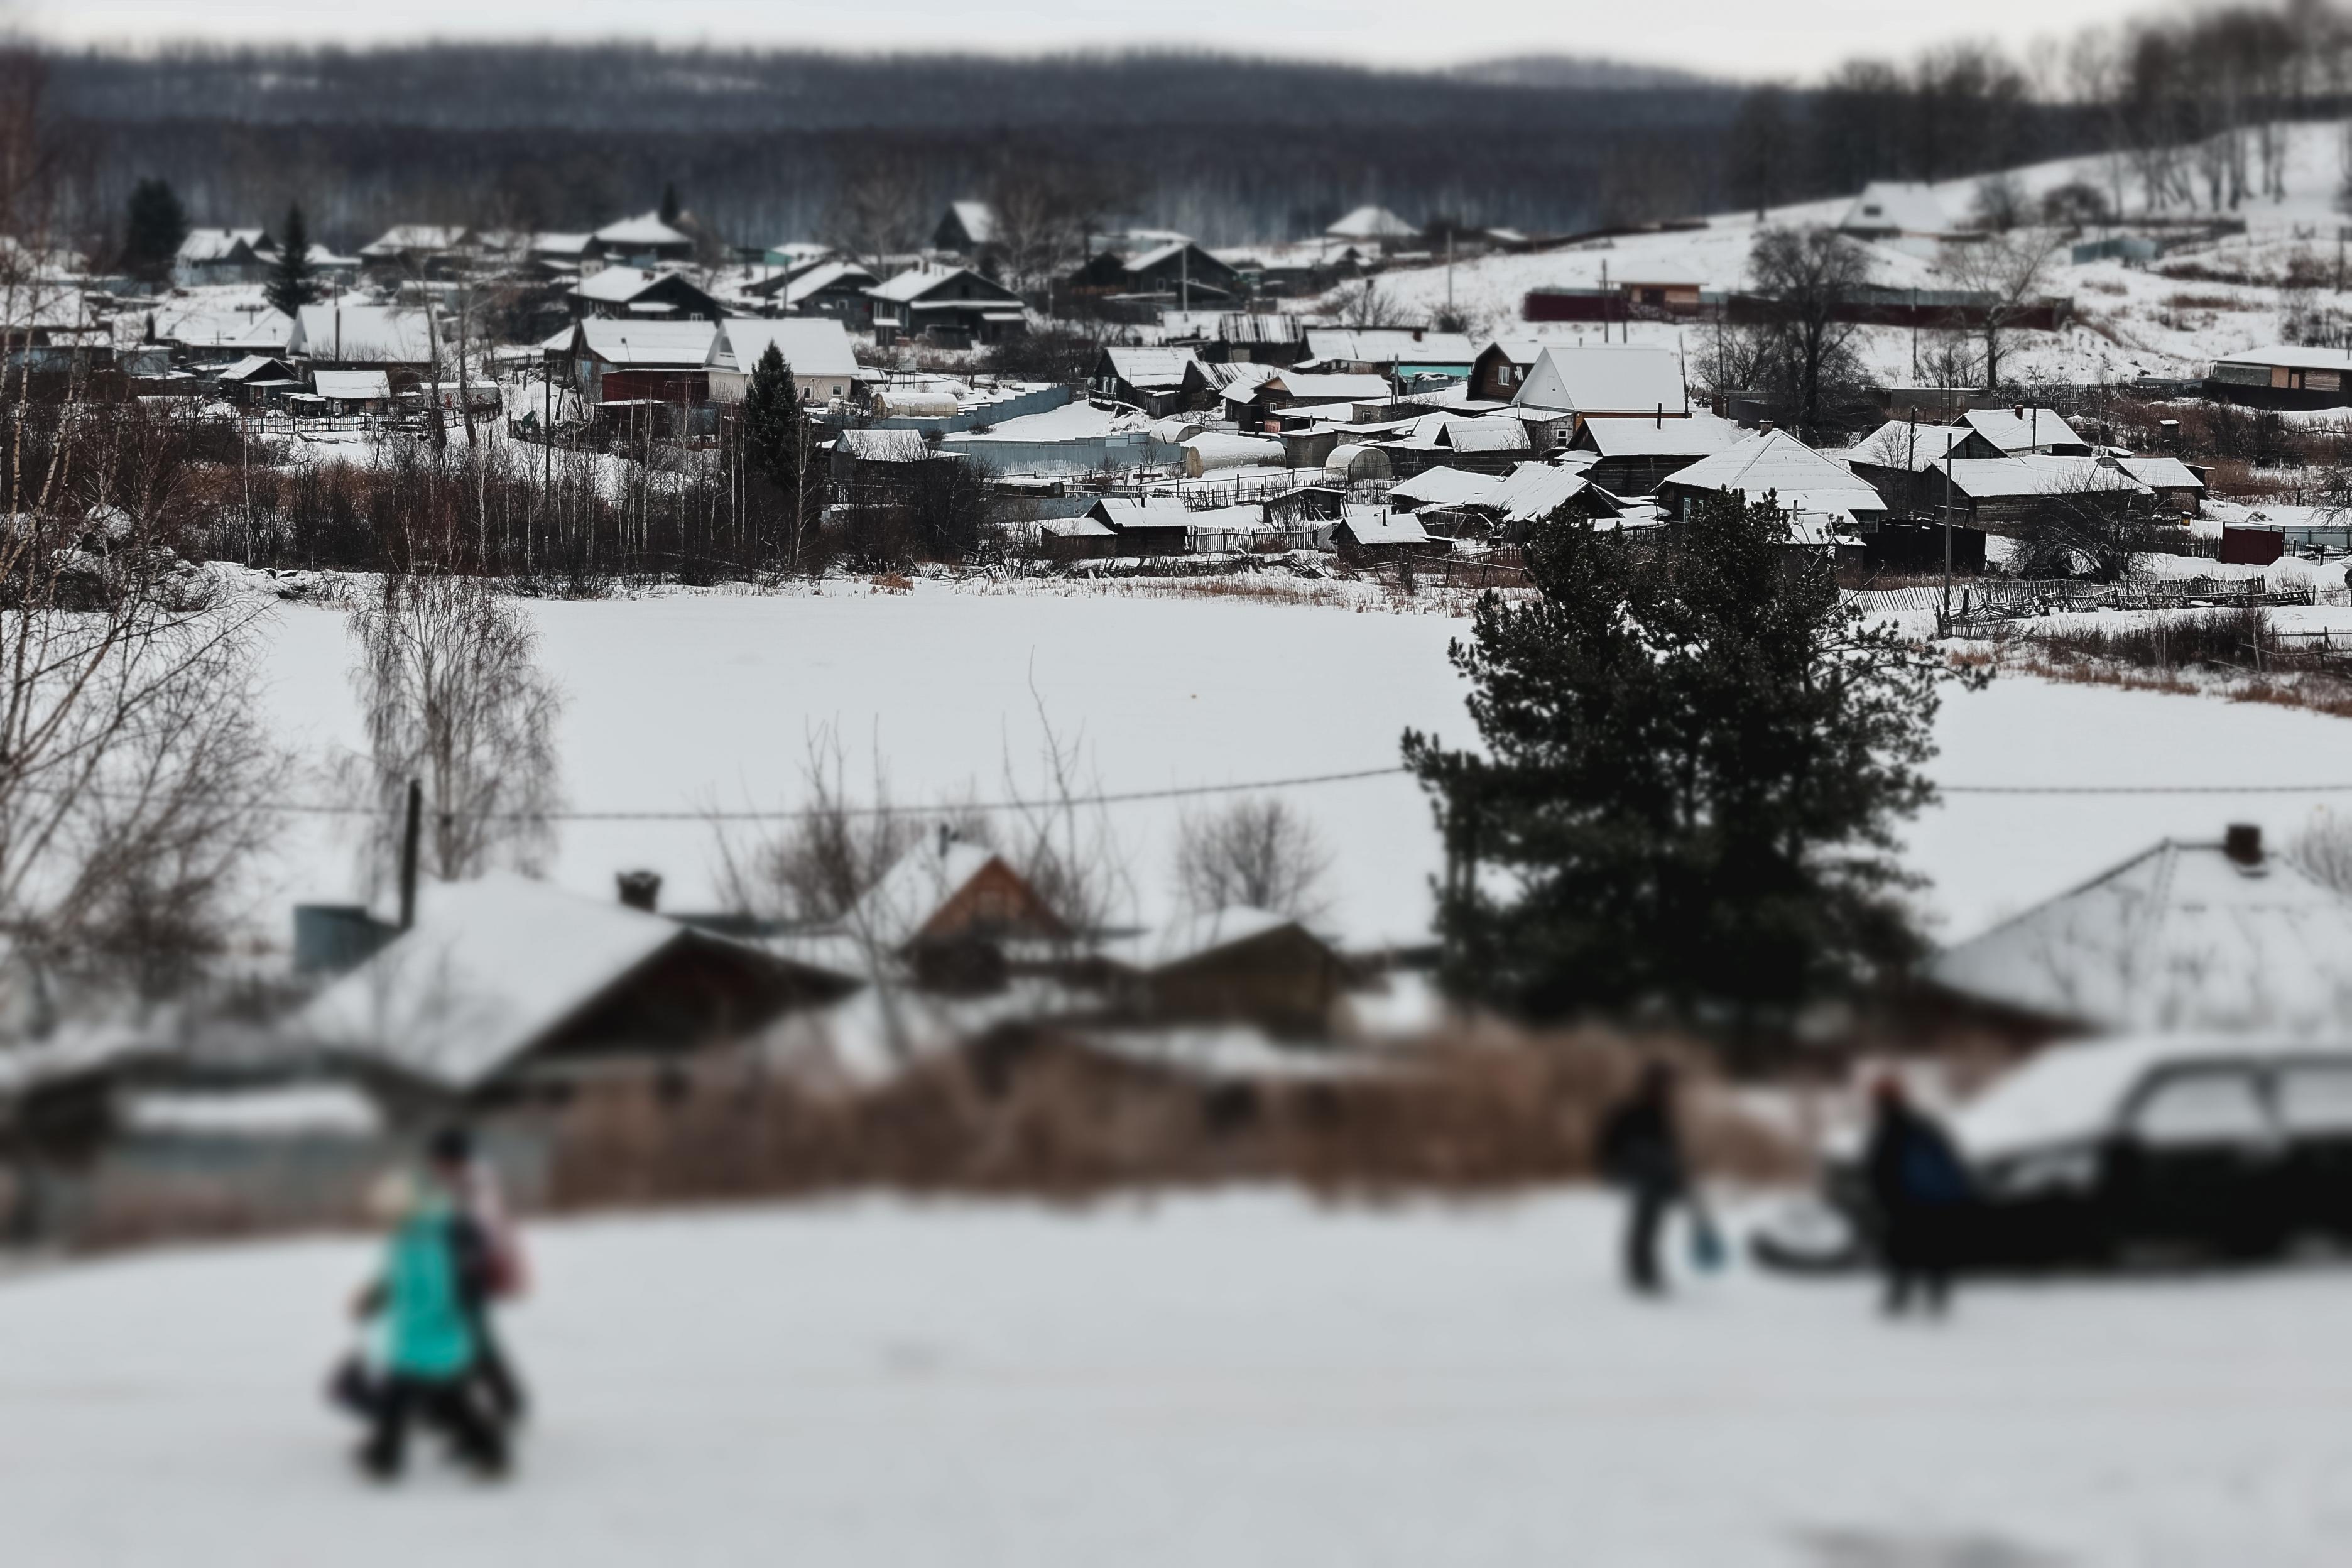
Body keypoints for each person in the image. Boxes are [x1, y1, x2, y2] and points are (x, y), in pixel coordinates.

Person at [352, 1167, 509, 1481]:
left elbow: (438, 1289)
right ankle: (490, 1453)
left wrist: (429, 1321)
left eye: (390, 1214)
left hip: (429, 1335)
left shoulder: (428, 1239)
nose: (386, 1221)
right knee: (449, 1401)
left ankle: (383, 1459)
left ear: (405, 1208)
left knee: (403, 1400)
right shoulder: (410, 1236)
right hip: (421, 1336)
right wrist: (375, 1297)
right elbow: (397, 1279)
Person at [427, 1126, 529, 1426]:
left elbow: (486, 1234)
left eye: (439, 1158)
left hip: (471, 1274)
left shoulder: (473, 1186)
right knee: (457, 1342)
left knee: (475, 1343)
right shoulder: (457, 1183)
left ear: (453, 1158)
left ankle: (508, 1403)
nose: (434, 1164)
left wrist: (472, 1266)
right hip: (453, 1274)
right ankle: (444, 1405)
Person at [1864, 1077, 1974, 1318]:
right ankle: (1938, 1300)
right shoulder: (1924, 1125)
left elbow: (1878, 1170)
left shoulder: (1887, 1129)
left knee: (1902, 1249)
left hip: (1905, 1203)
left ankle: (1898, 1301)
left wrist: (1883, 1200)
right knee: (1935, 1247)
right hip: (1936, 1201)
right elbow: (1952, 1159)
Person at [1598, 1062, 1686, 1295]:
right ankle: (1641, 1272)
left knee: (1653, 1225)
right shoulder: (1633, 1111)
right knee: (1645, 1223)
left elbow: (1670, 1151)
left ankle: (1646, 1269)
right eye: (1665, 1084)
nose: (1669, 1089)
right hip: (1642, 1176)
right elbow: (1611, 1146)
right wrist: (1614, 1171)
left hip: (1656, 1178)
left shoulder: (1661, 1111)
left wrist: (1678, 1181)